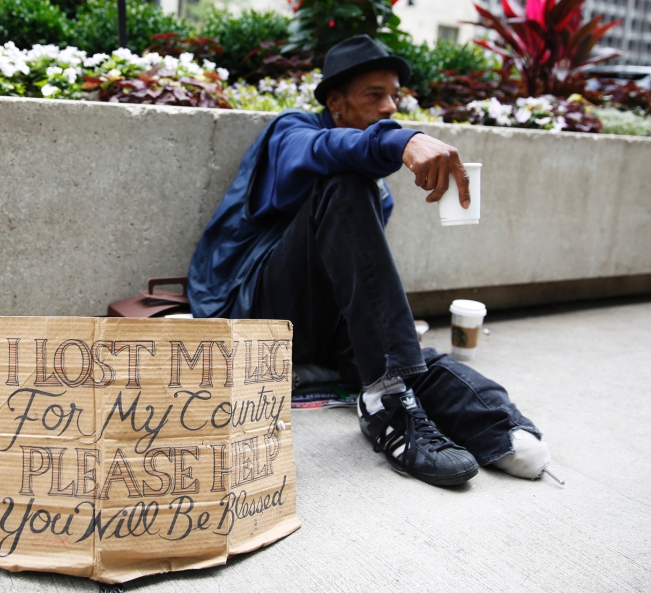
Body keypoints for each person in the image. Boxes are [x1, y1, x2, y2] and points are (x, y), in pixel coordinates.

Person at [187, 34, 551, 487]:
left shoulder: (374, 188)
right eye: (374, 95)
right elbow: (330, 150)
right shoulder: (292, 134)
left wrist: (385, 331)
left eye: (394, 96)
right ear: (336, 104)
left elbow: (357, 282)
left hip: (320, 329)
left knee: (405, 355)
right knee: (344, 180)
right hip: (251, 309)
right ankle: (385, 406)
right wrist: (402, 140)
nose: (389, 107)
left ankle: (500, 429)